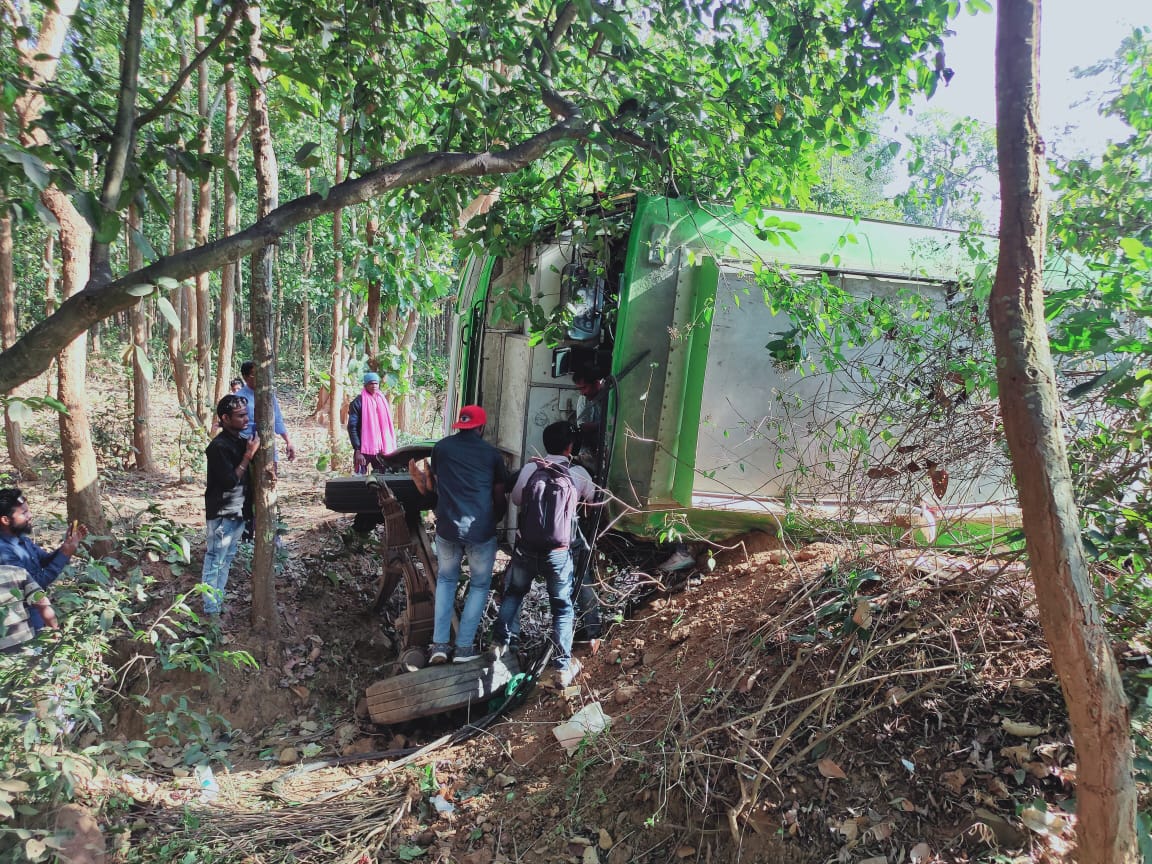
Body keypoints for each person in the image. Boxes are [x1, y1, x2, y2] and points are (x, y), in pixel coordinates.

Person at [490, 422, 596, 686]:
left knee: (514, 593)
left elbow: (516, 499)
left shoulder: (531, 469)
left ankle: (499, 644)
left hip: (527, 549)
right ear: (570, 446)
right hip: (558, 553)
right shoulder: (578, 473)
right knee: (562, 608)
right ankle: (561, 667)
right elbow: (591, 502)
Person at [427, 405, 509, 664]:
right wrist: (495, 519)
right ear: (481, 427)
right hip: (480, 530)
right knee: (480, 585)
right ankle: (463, 649)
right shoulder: (492, 455)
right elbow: (499, 494)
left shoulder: (441, 448)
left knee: (446, 581)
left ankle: (439, 646)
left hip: (447, 528)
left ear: (460, 424)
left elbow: (437, 484)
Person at [201, 394, 260, 618]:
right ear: (225, 418)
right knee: (215, 560)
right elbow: (229, 481)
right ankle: (210, 611)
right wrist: (248, 455)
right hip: (222, 513)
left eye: (246, 415)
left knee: (225, 560)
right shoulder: (218, 447)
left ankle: (216, 605)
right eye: (240, 416)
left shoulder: (240, 441)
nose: (246, 419)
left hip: (238, 512)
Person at [0, 488, 85, 632]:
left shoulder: (21, 539)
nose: (30, 516)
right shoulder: (4, 552)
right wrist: (65, 554)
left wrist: (66, 546)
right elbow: (34, 585)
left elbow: (44, 560)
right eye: (24, 513)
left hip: (35, 613)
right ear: (5, 520)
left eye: (28, 511)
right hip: (21, 625)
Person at [236, 360, 296, 463]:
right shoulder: (238, 398)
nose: (258, 377)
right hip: (246, 445)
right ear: (245, 377)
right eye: (254, 374)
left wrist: (288, 441)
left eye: (260, 373)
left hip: (268, 445)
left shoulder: (269, 395)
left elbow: (277, 419)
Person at [347, 371, 398, 474]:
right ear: (365, 385)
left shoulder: (382, 400)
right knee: (359, 478)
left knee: (383, 477)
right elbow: (352, 427)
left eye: (376, 383)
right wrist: (357, 450)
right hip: (363, 449)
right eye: (371, 383)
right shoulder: (358, 402)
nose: (374, 386)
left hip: (382, 450)